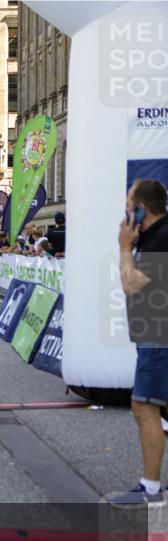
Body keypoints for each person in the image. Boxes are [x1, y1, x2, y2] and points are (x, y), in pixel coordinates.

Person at [110, 179, 168, 506]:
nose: (125, 214)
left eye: (128, 207)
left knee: (144, 406)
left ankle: (150, 489)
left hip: (159, 335)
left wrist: (123, 246)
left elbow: (131, 284)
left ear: (141, 209)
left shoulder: (161, 238)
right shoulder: (154, 236)